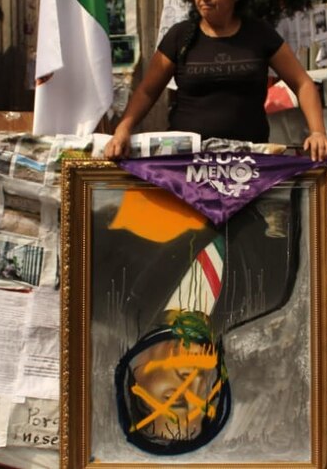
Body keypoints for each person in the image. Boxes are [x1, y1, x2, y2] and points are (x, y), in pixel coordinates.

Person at [94, 188, 301, 454]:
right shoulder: (271, 292)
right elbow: (287, 196)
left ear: (136, 380)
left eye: (173, 398)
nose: (194, 383)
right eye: (202, 398)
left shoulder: (105, 285)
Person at [103, 0, 327, 161]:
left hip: (249, 164)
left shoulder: (260, 34)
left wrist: (318, 132)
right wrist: (123, 129)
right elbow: (147, 91)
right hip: (185, 164)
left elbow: (302, 83)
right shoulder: (180, 36)